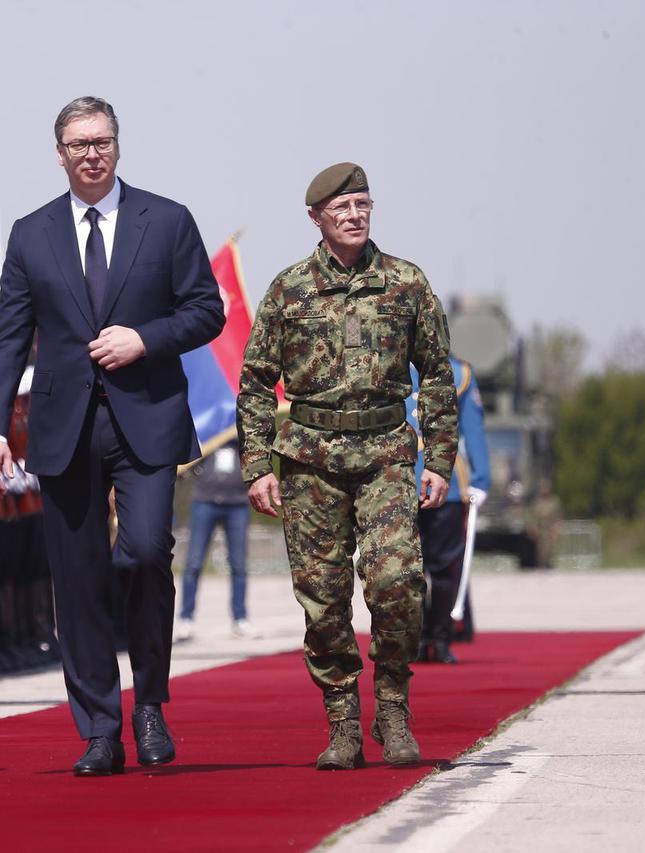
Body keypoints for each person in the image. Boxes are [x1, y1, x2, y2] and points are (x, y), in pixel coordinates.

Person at [0, 96, 224, 776]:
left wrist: (146, 337)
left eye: (103, 140)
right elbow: (7, 340)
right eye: (79, 143)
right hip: (63, 427)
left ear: (118, 145)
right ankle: (98, 727)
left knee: (145, 550)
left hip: (145, 417)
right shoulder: (32, 234)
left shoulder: (166, 220)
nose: (92, 152)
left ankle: (149, 702)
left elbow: (207, 310)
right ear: (59, 153)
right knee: (76, 577)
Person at [237, 162, 457, 770]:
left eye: (363, 204)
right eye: (342, 208)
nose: (355, 216)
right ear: (317, 218)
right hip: (309, 460)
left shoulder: (407, 283)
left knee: (397, 585)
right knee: (322, 598)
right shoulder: (289, 289)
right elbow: (255, 381)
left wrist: (439, 458)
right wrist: (258, 464)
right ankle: (341, 720)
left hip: (387, 452)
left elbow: (437, 373)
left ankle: (392, 706)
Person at [405, 356, 490, 664]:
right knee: (405, 568)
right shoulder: (381, 363)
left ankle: (439, 637)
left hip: (447, 483)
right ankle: (413, 638)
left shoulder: (459, 373)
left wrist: (480, 478)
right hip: (394, 482)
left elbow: (472, 428)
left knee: (444, 566)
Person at [176, 440, 259, 641]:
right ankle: (186, 619)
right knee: (193, 563)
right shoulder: (211, 433)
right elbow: (187, 461)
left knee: (239, 565)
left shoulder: (241, 434)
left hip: (237, 503)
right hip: (205, 501)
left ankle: (240, 619)